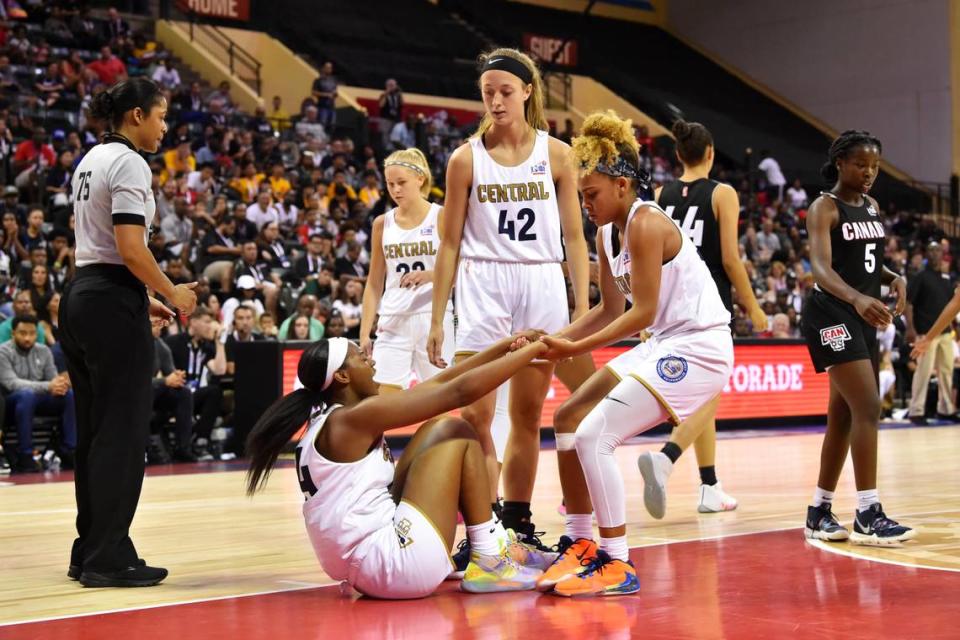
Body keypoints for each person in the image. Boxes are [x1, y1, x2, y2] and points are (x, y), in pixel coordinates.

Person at [535, 110, 733, 596]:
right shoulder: (607, 233)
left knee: (593, 437)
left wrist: (572, 346)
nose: (586, 205)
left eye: (592, 194)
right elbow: (609, 309)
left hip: (700, 345)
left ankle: (617, 562)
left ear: (622, 185)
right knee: (568, 417)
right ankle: (580, 544)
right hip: (666, 341)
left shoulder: (646, 223)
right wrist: (556, 337)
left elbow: (640, 313)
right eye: (581, 196)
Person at [428, 48, 590, 557]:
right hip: (483, 283)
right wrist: (438, 317)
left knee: (527, 414)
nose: (495, 101)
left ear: (527, 91)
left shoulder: (559, 153)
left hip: (541, 280)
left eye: (504, 91)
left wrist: (581, 306)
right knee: (475, 414)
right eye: (487, 92)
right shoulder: (464, 158)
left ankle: (517, 521)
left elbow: (575, 238)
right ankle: (484, 522)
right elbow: (449, 243)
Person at [245, 333, 554, 598]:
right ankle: (489, 557)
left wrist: (504, 347)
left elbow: (441, 382)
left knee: (432, 433)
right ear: (342, 376)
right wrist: (534, 352)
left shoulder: (331, 420)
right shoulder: (351, 420)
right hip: (390, 566)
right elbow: (459, 392)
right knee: (452, 431)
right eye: (362, 359)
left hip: (366, 566)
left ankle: (491, 546)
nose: (373, 362)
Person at [58, 78, 198, 587]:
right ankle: (108, 556)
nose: (165, 127)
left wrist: (144, 299)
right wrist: (173, 292)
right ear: (136, 115)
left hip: (84, 293)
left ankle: (89, 546)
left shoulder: (91, 158)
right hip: (110, 300)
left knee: (95, 432)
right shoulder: (132, 162)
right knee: (122, 432)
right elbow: (131, 248)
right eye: (161, 117)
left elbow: (104, 253)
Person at [635, 119, 768, 518]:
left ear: (678, 155)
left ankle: (710, 486)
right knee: (711, 392)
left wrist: (645, 311)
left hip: (667, 303)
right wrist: (753, 305)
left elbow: (649, 256)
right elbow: (729, 257)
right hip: (709, 304)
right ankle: (667, 457)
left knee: (703, 393)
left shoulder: (659, 194)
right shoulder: (723, 193)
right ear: (710, 153)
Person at [800, 130, 914, 546]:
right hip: (830, 312)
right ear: (841, 164)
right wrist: (857, 297)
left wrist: (895, 277)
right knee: (868, 405)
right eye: (861, 165)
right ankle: (868, 512)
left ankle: (819, 511)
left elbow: (869, 262)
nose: (868, 173)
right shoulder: (823, 208)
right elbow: (822, 269)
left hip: (860, 313)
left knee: (844, 415)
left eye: (875, 167)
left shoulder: (871, 206)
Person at [359, 148, 454, 393]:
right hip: (393, 318)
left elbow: (464, 269)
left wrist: (432, 275)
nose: (395, 190)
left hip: (433, 316)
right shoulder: (382, 223)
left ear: (420, 178)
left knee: (438, 401)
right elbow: (373, 282)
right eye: (390, 184)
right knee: (381, 403)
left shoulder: (441, 217)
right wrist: (364, 331)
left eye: (401, 182)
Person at [0, 315, 75, 473]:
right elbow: (12, 383)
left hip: (39, 398)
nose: (28, 338)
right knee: (26, 395)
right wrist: (49, 386)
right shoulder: (3, 352)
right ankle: (25, 454)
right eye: (22, 333)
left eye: (32, 333)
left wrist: (60, 385)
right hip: (11, 402)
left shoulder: (43, 350)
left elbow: (53, 379)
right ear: (13, 333)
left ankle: (70, 449)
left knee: (69, 395)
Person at [905, 242, 957, 424]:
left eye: (938, 250)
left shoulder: (946, 277)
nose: (935, 253)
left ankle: (946, 409)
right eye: (931, 250)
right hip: (925, 333)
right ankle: (916, 411)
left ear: (943, 254)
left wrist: (954, 329)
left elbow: (952, 305)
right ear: (927, 254)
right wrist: (910, 328)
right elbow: (909, 303)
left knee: (946, 371)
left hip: (945, 333)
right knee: (924, 371)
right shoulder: (920, 277)